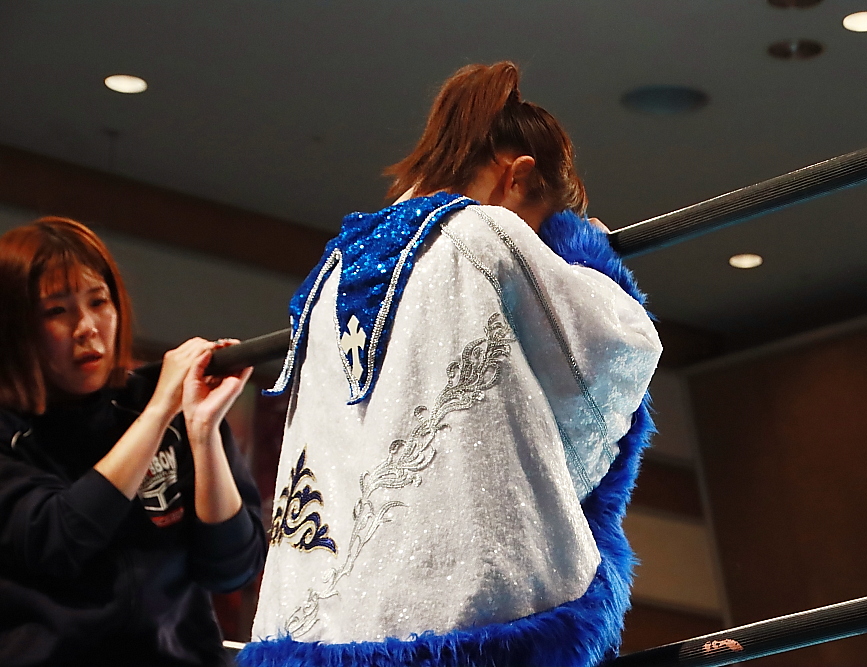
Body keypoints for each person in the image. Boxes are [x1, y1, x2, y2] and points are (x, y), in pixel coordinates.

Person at [243, 62, 661, 667]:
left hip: (315, 624)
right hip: (466, 613)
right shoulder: (485, 232)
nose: (539, 243)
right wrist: (583, 254)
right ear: (517, 176)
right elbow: (615, 351)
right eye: (542, 224)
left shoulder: (330, 270)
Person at [0, 217, 268, 666]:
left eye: (98, 301)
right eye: (56, 311)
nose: (87, 327)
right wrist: (160, 411)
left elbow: (231, 568)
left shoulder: (165, 404)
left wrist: (202, 433)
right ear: (15, 326)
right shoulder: (9, 432)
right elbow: (61, 540)